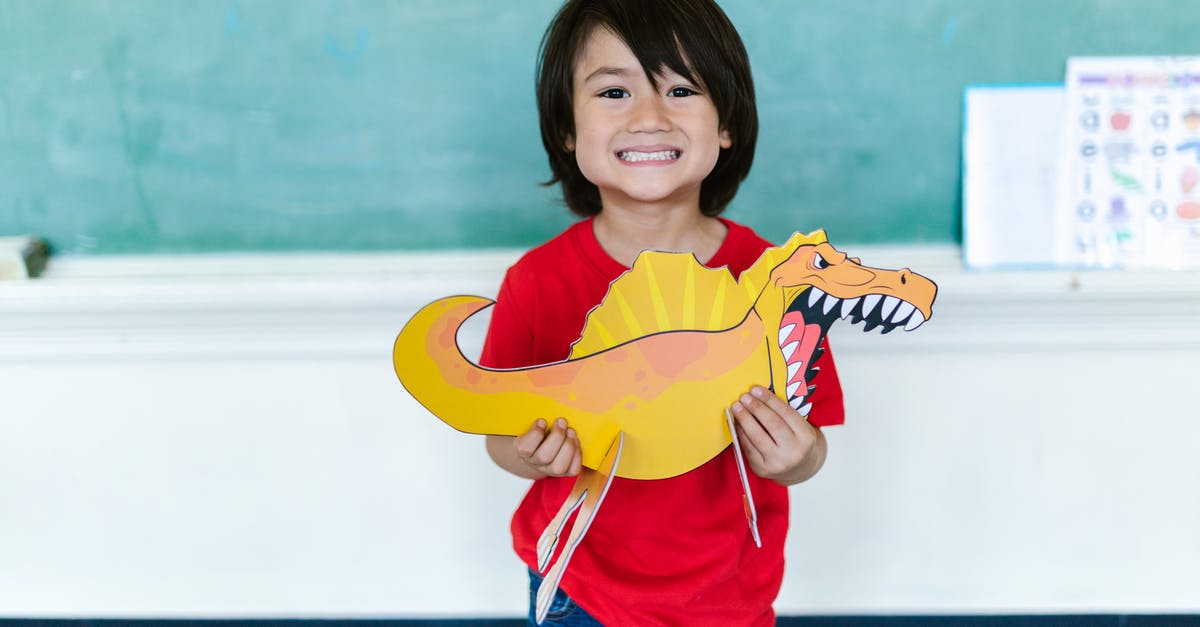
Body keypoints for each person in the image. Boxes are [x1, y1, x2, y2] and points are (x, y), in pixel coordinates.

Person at [479, 0, 845, 624]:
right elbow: (500, 438)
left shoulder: (778, 284)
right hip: (579, 587)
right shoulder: (537, 282)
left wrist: (796, 458)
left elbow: (809, 449)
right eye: (615, 91)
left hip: (731, 594)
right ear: (567, 129)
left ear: (726, 124)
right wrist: (533, 453)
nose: (649, 117)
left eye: (680, 89)